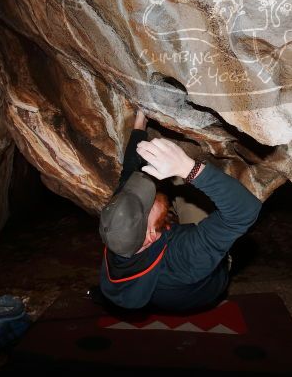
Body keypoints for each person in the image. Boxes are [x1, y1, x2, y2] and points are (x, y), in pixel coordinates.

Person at [97, 109, 262, 312]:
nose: (148, 196)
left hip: (164, 264)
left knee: (165, 185)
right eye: (148, 204)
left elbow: (128, 173)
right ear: (151, 235)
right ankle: (223, 267)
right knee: (195, 193)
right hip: (206, 283)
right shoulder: (184, 259)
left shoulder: (118, 227)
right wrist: (187, 168)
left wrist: (140, 124)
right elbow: (244, 211)